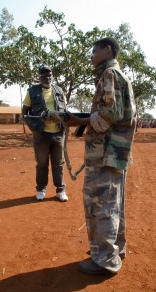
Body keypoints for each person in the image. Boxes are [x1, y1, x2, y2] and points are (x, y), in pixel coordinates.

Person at [66, 37, 137, 275]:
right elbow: (114, 112)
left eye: (95, 51)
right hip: (114, 153)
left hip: (105, 153)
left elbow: (109, 115)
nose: (92, 56)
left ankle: (106, 260)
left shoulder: (110, 75)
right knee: (113, 204)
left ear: (108, 50)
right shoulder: (117, 76)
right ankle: (115, 249)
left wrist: (79, 121)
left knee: (101, 206)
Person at [22, 63, 68, 202]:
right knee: (42, 164)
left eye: (49, 74)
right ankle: (41, 189)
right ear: (39, 76)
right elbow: (25, 112)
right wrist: (33, 127)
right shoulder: (32, 91)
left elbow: (65, 110)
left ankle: (60, 190)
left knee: (59, 163)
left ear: (52, 76)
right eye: (43, 74)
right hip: (41, 135)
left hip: (58, 134)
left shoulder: (59, 90)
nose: (47, 77)